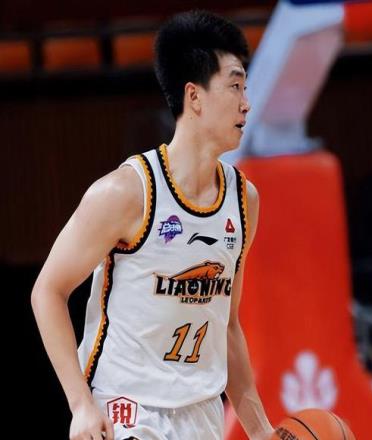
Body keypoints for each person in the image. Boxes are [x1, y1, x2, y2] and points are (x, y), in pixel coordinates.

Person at [31, 10, 274, 440]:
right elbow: (47, 291)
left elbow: (227, 325)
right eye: (235, 86)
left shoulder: (243, 200)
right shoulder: (126, 192)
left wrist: (260, 430)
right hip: (126, 409)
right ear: (194, 96)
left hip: (201, 413)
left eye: (245, 88)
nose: (246, 103)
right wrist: (80, 404)